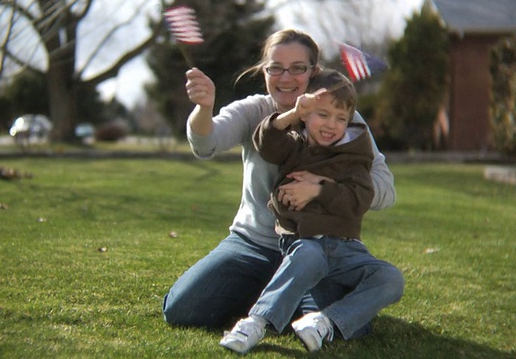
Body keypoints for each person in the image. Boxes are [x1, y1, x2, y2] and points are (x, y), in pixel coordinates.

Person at [162, 28, 396, 335]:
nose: (286, 78)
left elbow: (385, 189)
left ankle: (291, 304)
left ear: (314, 72)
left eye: (298, 68)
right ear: (264, 71)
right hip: (253, 245)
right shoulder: (254, 111)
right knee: (181, 308)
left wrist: (322, 189)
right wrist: (204, 109)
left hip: (317, 247)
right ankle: (276, 299)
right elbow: (205, 144)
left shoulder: (340, 119)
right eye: (276, 68)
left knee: (354, 329)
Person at [218, 68, 405, 354]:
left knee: (391, 278)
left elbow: (360, 198)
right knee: (309, 255)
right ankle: (256, 322)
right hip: (304, 243)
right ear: (306, 115)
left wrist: (319, 189)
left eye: (341, 118)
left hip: (347, 250)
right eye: (323, 115)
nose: (331, 125)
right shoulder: (296, 144)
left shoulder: (355, 152)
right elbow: (265, 144)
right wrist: (293, 114)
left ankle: (325, 322)